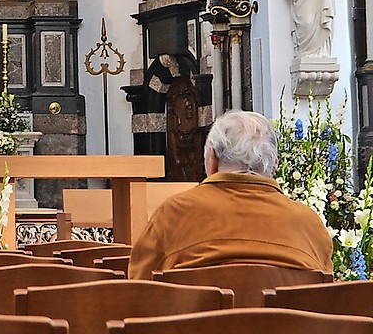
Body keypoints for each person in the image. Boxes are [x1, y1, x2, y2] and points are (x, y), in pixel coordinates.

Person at [128, 110, 332, 279]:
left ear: (211, 158)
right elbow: (323, 302)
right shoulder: (309, 225)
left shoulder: (172, 215)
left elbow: (140, 293)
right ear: (273, 166)